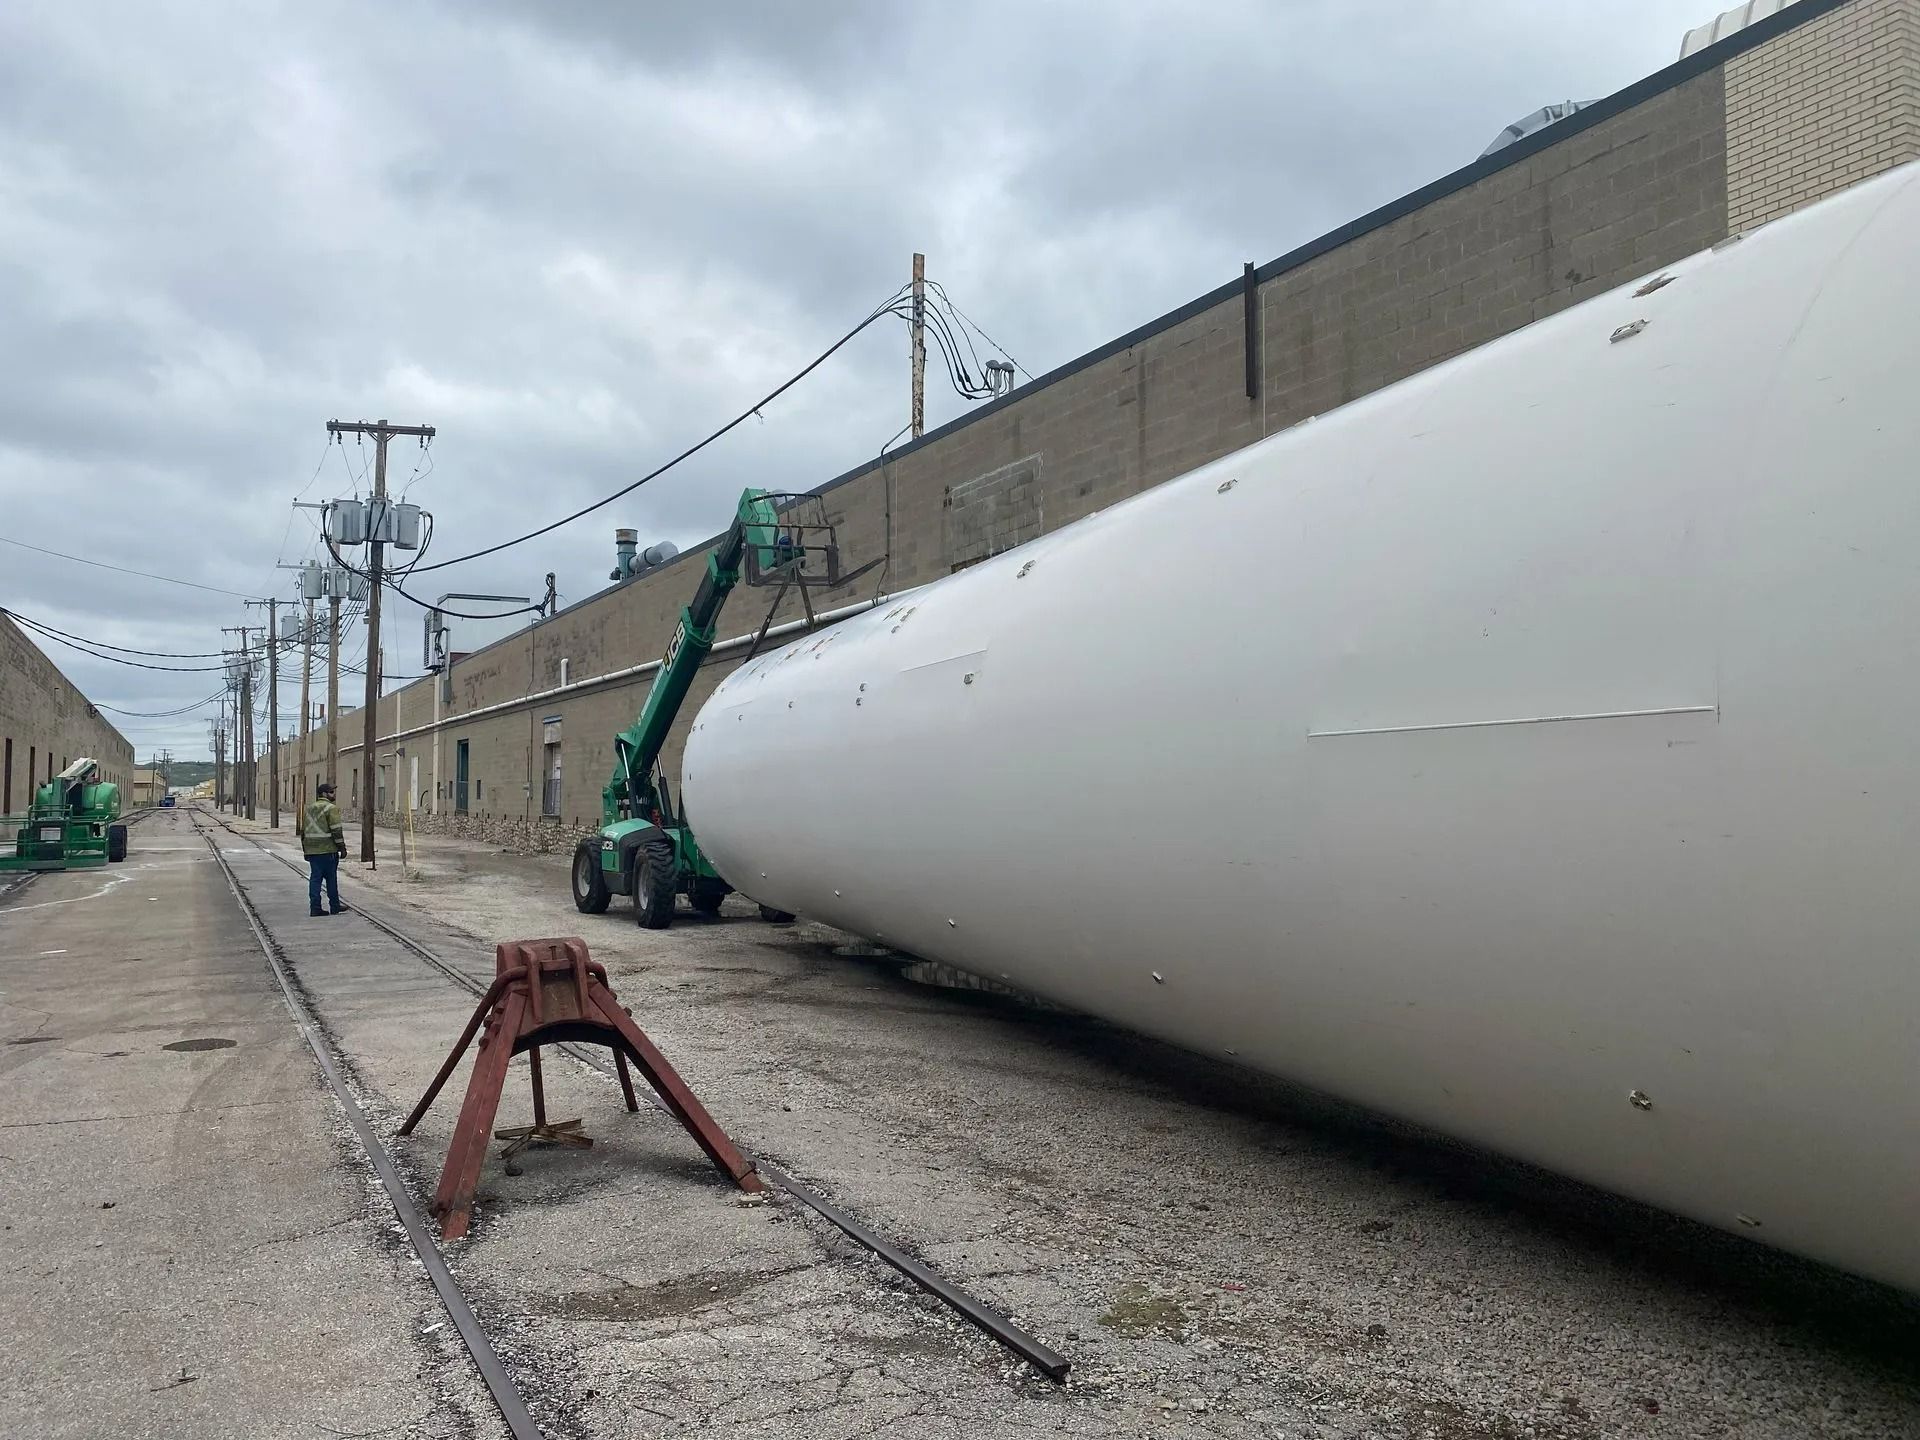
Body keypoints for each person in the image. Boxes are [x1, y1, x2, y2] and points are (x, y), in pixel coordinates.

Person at [302, 782, 347, 917]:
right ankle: (335, 906)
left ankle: (315, 907)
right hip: (327, 849)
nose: (334, 794)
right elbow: (336, 830)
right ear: (324, 794)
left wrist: (305, 849)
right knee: (331, 879)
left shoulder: (309, 808)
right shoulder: (331, 808)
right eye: (331, 792)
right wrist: (342, 847)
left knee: (315, 879)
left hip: (312, 850)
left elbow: (303, 830)